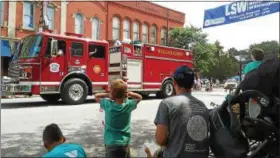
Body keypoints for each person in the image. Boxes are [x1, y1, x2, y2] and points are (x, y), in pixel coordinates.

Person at [154, 65, 209, 158]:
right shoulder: (202, 106)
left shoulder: (166, 104)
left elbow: (160, 139)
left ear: (174, 82)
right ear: (192, 84)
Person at [94, 79, 142, 158]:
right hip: (124, 143)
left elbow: (96, 96)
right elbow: (139, 97)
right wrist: (129, 93)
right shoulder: (128, 105)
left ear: (112, 93)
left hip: (110, 143)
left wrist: (108, 95)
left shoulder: (107, 104)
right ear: (125, 93)